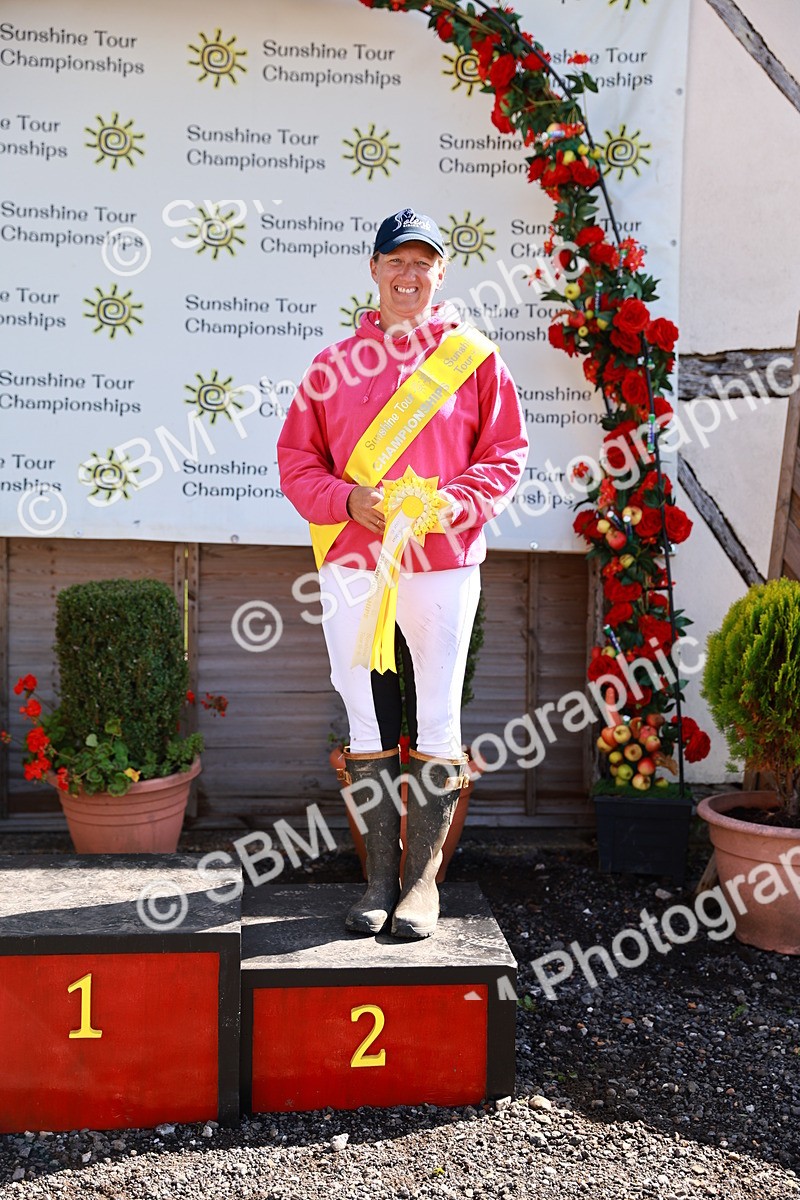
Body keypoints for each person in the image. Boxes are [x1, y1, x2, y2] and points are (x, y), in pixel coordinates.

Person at [278, 207, 528, 939]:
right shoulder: (331, 365)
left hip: (442, 561)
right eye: (396, 261)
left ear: (441, 273)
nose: (408, 274)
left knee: (440, 714)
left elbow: (505, 454)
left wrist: (455, 504)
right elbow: (296, 462)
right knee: (363, 712)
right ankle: (376, 882)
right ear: (374, 269)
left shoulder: (475, 359)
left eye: (423, 262)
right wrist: (347, 499)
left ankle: (422, 885)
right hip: (354, 560)